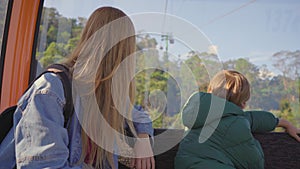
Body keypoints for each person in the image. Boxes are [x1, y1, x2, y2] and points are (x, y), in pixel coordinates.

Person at [0, 7, 155, 169]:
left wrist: (143, 138)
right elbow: (46, 165)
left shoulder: (106, 97)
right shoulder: (50, 90)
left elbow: (138, 114)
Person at [175, 70, 300, 169]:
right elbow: (254, 163)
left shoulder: (198, 111)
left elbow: (252, 118)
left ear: (210, 90)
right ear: (243, 103)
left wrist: (283, 123)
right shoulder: (237, 125)